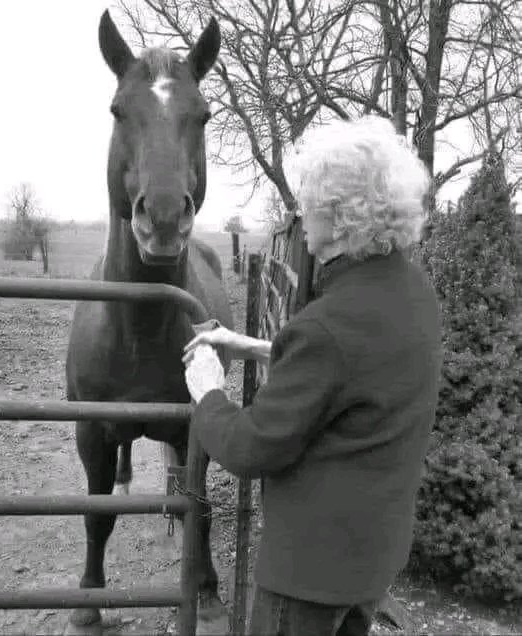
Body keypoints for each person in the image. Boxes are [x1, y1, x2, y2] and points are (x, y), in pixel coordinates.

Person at [182, 115, 443, 636]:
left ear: (341, 218)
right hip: (369, 561)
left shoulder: (328, 325)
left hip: (309, 578)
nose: (299, 213)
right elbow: (353, 371)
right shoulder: (412, 291)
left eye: (307, 201)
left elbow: (250, 448)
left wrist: (209, 390)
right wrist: (259, 347)